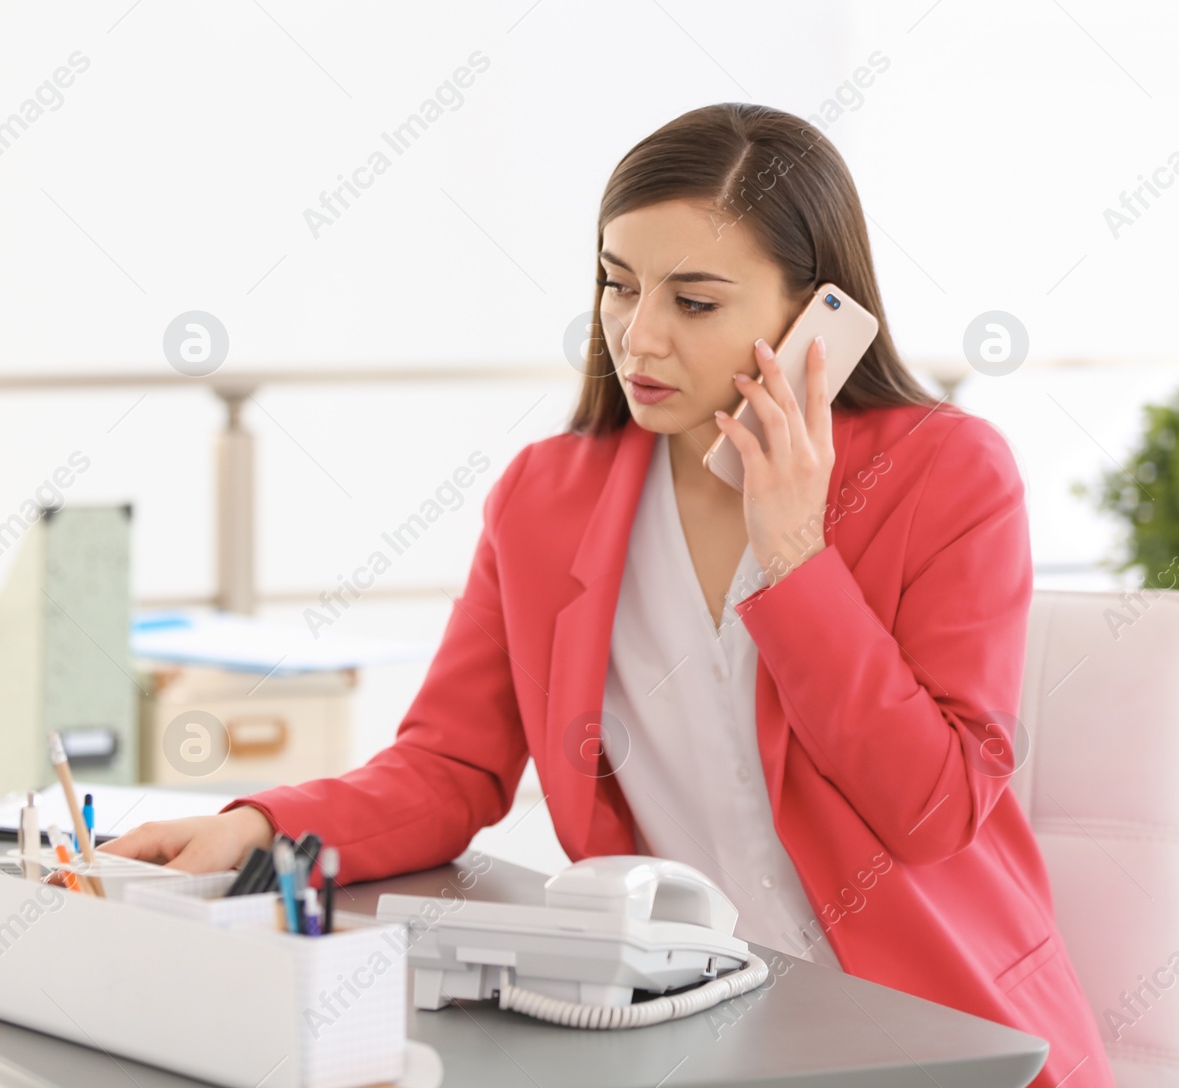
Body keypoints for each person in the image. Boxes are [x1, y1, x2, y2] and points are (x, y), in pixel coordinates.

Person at [103, 103, 1110, 1087]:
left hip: (940, 1033)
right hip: (688, 1022)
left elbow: (930, 809)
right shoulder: (547, 496)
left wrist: (796, 553)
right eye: (617, 285)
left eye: (696, 300)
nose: (639, 336)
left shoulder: (946, 474)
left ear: (815, 313)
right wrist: (263, 826)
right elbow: (451, 763)